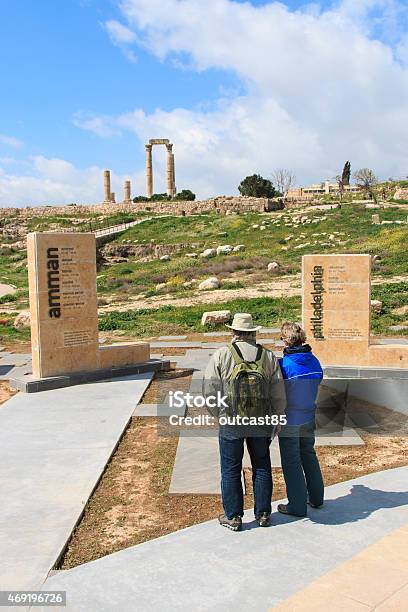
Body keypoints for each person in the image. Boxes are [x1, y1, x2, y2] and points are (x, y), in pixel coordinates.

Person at [203, 313, 286, 532]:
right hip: (261, 419)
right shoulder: (268, 356)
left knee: (230, 469)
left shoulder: (222, 355)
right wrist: (277, 416)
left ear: (233, 332)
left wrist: (217, 414)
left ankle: (233, 516)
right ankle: (264, 513)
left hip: (231, 420)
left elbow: (210, 389)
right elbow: (278, 390)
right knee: (261, 465)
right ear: (253, 332)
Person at [277, 322, 324, 517]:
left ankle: (297, 505)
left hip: (289, 419)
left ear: (285, 340)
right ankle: (316, 497)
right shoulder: (314, 361)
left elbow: (277, 392)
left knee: (292, 462)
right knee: (308, 454)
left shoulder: (283, 365)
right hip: (308, 416)